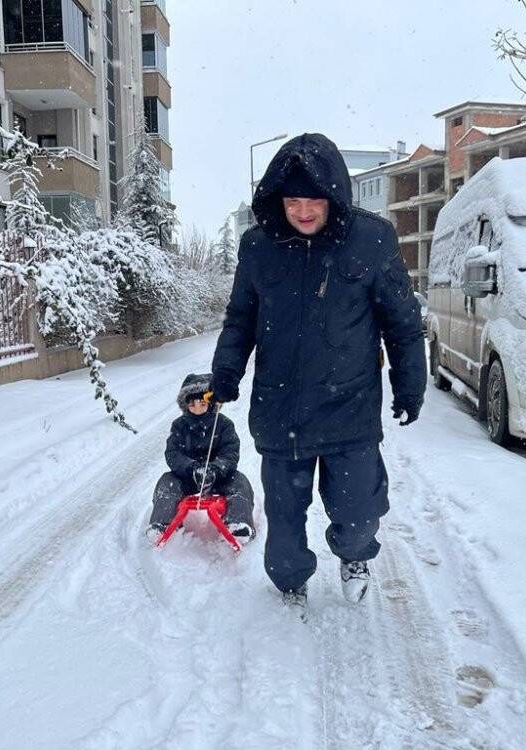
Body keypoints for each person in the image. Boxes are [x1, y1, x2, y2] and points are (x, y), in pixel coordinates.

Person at [209, 133, 426, 616]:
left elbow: (403, 322)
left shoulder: (372, 240)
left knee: (359, 512)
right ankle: (290, 582)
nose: (303, 211)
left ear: (333, 198)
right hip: (280, 408)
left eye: (313, 200)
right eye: (292, 201)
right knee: (285, 521)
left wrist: (410, 384)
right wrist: (226, 372)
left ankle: (353, 558)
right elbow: (240, 318)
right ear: (277, 200)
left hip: (350, 407)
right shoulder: (258, 247)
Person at [147, 373, 256, 544]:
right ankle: (161, 523)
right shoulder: (179, 426)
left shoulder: (224, 424)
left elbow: (231, 452)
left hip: (217, 477)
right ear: (186, 405)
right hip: (188, 477)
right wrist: (190, 467)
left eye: (202, 404)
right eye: (192, 404)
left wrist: (216, 468)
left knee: (240, 482)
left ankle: (238, 524)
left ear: (211, 404)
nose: (197, 408)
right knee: (166, 482)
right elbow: (173, 453)